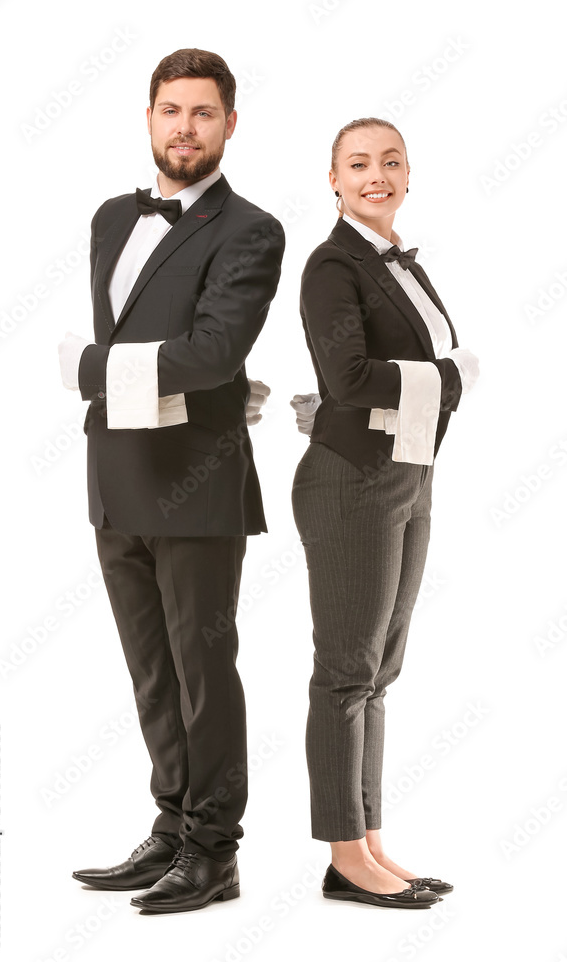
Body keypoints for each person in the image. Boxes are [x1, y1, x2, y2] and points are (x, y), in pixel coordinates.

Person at [57, 48, 285, 914]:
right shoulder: (112, 218)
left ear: (230, 123)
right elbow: (157, 346)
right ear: (148, 118)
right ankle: (171, 827)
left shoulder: (252, 228)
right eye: (169, 110)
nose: (183, 127)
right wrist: (136, 378)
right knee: (151, 671)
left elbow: (213, 353)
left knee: (202, 666)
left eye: (202, 112)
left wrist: (87, 368)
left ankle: (215, 850)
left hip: (198, 477)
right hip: (114, 471)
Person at [290, 116, 479, 910]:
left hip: (411, 475)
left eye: (391, 162)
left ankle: (366, 841)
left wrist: (441, 372)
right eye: (359, 164)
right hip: (350, 485)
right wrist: (452, 374)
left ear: (410, 173)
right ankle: (342, 856)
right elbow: (349, 378)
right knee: (344, 676)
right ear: (332, 179)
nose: (377, 175)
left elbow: (397, 377)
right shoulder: (332, 264)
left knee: (380, 674)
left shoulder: (401, 263)